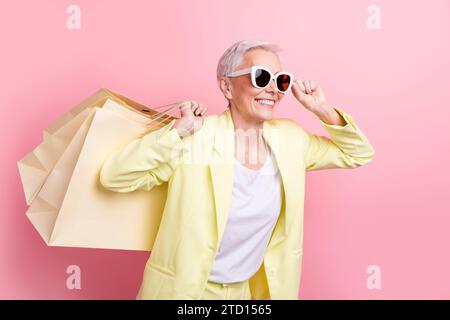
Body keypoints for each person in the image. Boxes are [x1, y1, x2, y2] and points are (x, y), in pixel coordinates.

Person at [99, 39, 375, 300]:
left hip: (245, 293)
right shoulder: (196, 137)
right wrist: (175, 132)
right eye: (261, 77)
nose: (274, 89)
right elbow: (115, 177)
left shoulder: (291, 139)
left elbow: (357, 153)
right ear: (227, 87)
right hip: (183, 291)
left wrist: (322, 110)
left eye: (280, 80)